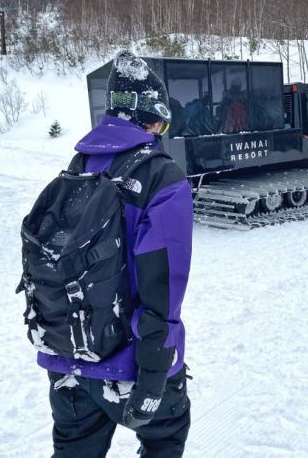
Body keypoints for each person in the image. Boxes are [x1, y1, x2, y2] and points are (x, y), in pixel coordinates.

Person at [39, 50, 193, 457]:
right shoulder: (163, 177)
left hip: (68, 357)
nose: (162, 129)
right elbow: (164, 285)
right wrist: (157, 369)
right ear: (150, 117)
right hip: (132, 363)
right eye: (161, 119)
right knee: (166, 439)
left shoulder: (79, 165)